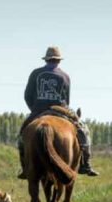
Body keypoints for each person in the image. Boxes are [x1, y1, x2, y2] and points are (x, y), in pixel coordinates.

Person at [17, 46, 98, 179]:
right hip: (60, 110)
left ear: (46, 59)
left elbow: (27, 95)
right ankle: (85, 164)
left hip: (38, 110)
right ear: (58, 61)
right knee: (83, 132)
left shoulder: (35, 73)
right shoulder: (65, 76)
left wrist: (35, 109)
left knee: (21, 136)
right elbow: (67, 99)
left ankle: (25, 167)